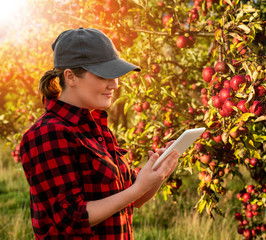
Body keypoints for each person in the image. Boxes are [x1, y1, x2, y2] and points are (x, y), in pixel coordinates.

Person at [19, 27, 180, 240]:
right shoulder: (47, 134)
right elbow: (70, 219)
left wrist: (159, 173)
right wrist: (137, 188)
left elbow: (133, 198)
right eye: (104, 75)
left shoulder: (95, 128)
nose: (115, 84)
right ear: (70, 76)